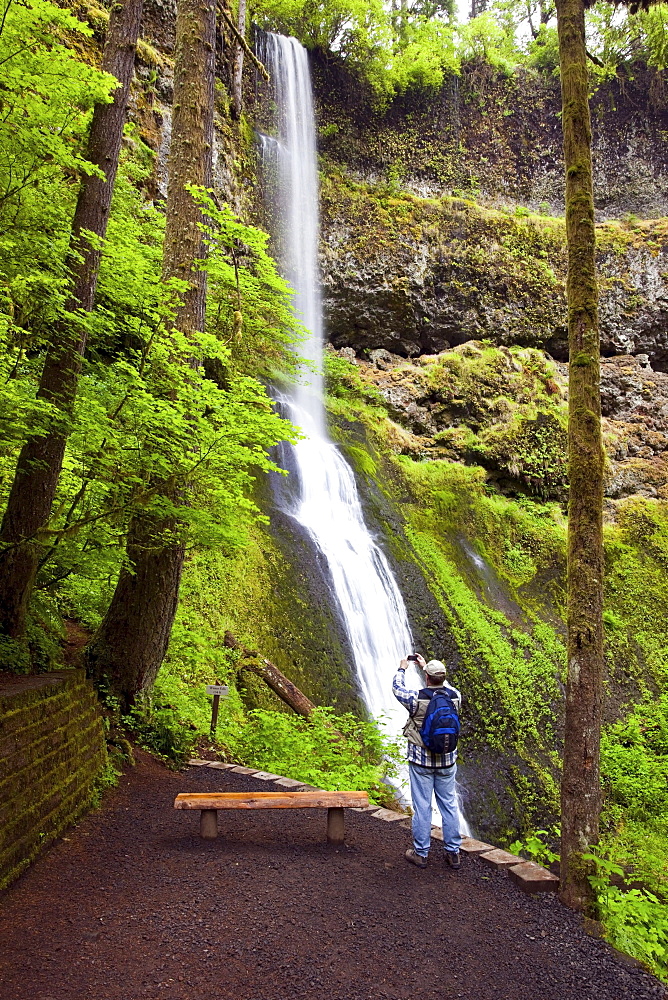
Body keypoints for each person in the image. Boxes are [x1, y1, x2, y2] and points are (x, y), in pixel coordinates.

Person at [392, 653, 462, 869]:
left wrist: (403, 668)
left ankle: (421, 853)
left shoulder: (416, 699)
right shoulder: (455, 697)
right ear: (442, 677)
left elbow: (397, 688)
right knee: (449, 805)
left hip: (421, 761)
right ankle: (453, 852)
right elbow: (448, 688)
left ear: (427, 678)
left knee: (422, 806)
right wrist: (428, 668)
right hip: (447, 760)